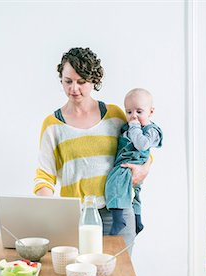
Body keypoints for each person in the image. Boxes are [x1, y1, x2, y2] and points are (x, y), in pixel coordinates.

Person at [33, 47, 152, 250]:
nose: (74, 88)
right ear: (61, 79)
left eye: (81, 82)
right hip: (75, 218)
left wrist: (145, 169)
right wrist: (49, 211)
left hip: (117, 212)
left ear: (94, 80)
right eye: (68, 81)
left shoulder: (114, 115)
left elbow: (140, 149)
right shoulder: (52, 124)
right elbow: (45, 174)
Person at [105, 88, 163, 236]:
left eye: (139, 111)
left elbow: (142, 144)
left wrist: (134, 127)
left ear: (151, 111)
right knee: (134, 193)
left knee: (114, 183)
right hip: (129, 163)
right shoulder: (129, 126)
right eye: (129, 112)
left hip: (129, 165)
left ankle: (118, 220)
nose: (133, 116)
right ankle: (138, 220)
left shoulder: (151, 130)